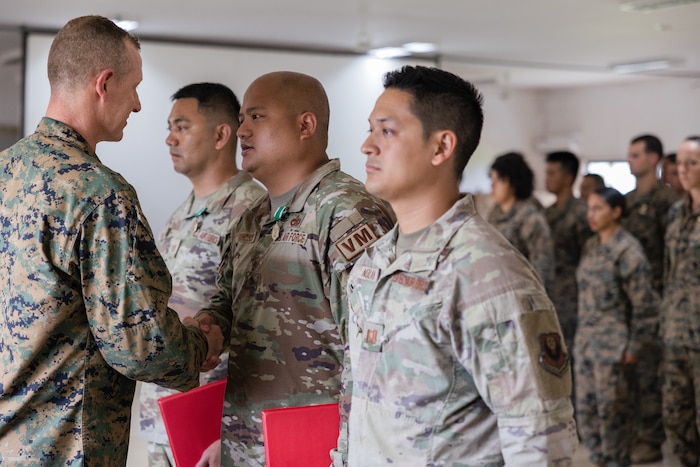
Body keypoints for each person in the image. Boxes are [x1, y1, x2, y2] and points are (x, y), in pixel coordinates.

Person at [0, 16, 222, 466]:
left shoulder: (6, 170)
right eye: (134, 86)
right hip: (64, 447)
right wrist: (201, 348)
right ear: (103, 83)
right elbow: (138, 344)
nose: (138, 104)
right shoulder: (99, 194)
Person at [343, 65, 577, 465]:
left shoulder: (488, 274)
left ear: (441, 147)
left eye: (386, 131)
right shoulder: (374, 261)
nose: (367, 146)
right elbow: (360, 405)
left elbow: (539, 438)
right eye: (369, 130)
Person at [193, 71, 395, 466]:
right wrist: (209, 327)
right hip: (248, 444)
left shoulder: (347, 213)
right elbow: (228, 306)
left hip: (318, 449)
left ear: (305, 125)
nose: (241, 131)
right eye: (240, 119)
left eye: (256, 117)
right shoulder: (253, 219)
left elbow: (374, 353)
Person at [138, 83, 265, 466]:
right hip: (163, 410)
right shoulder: (184, 211)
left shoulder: (251, 209)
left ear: (221, 134)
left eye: (182, 126)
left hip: (213, 416)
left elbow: (258, 321)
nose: (169, 138)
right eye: (169, 126)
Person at [576, 187, 659, 466]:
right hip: (587, 346)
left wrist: (635, 347)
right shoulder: (592, 246)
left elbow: (646, 307)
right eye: (589, 208)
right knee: (587, 415)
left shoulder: (628, 251)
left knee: (614, 417)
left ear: (616, 212)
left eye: (598, 208)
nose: (591, 215)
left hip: (614, 350)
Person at [621, 133, 678, 463]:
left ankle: (652, 438)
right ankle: (634, 432)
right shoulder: (626, 202)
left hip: (655, 299)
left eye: (637, 155)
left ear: (654, 158)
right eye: (629, 155)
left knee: (651, 372)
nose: (631, 160)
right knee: (630, 373)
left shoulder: (665, 201)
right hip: (627, 301)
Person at [660, 135, 700, 466]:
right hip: (676, 335)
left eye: (692, 163)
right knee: (676, 419)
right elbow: (668, 273)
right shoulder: (676, 213)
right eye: (680, 164)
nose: (683, 170)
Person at [544, 150, 592, 362]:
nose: (547, 178)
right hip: (550, 292)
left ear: (568, 178)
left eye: (552, 173)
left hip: (575, 295)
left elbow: (589, 256)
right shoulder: (547, 213)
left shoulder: (582, 213)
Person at [488, 151, 555, 290]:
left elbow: (543, 268)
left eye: (498, 180)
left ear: (513, 182)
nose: (492, 186)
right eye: (491, 179)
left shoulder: (530, 218)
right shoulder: (494, 214)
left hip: (521, 295)